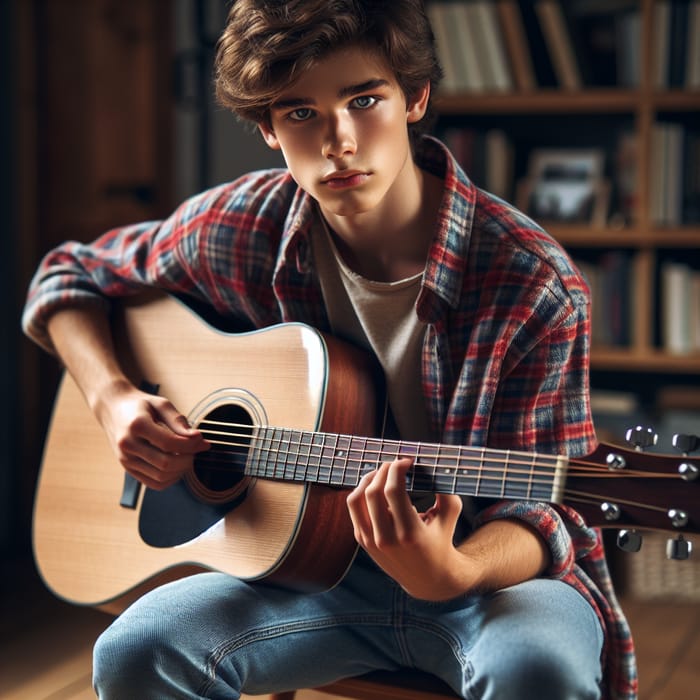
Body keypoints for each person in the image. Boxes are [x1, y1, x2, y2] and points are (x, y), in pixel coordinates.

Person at [22, 1, 636, 698]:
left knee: (540, 669)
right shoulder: (242, 226)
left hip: (490, 576)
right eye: (301, 113)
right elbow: (68, 274)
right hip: (307, 576)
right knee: (136, 652)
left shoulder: (532, 282)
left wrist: (454, 571)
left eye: (363, 99)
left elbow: (551, 508)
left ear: (415, 97)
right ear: (267, 128)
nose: (338, 140)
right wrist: (113, 399)